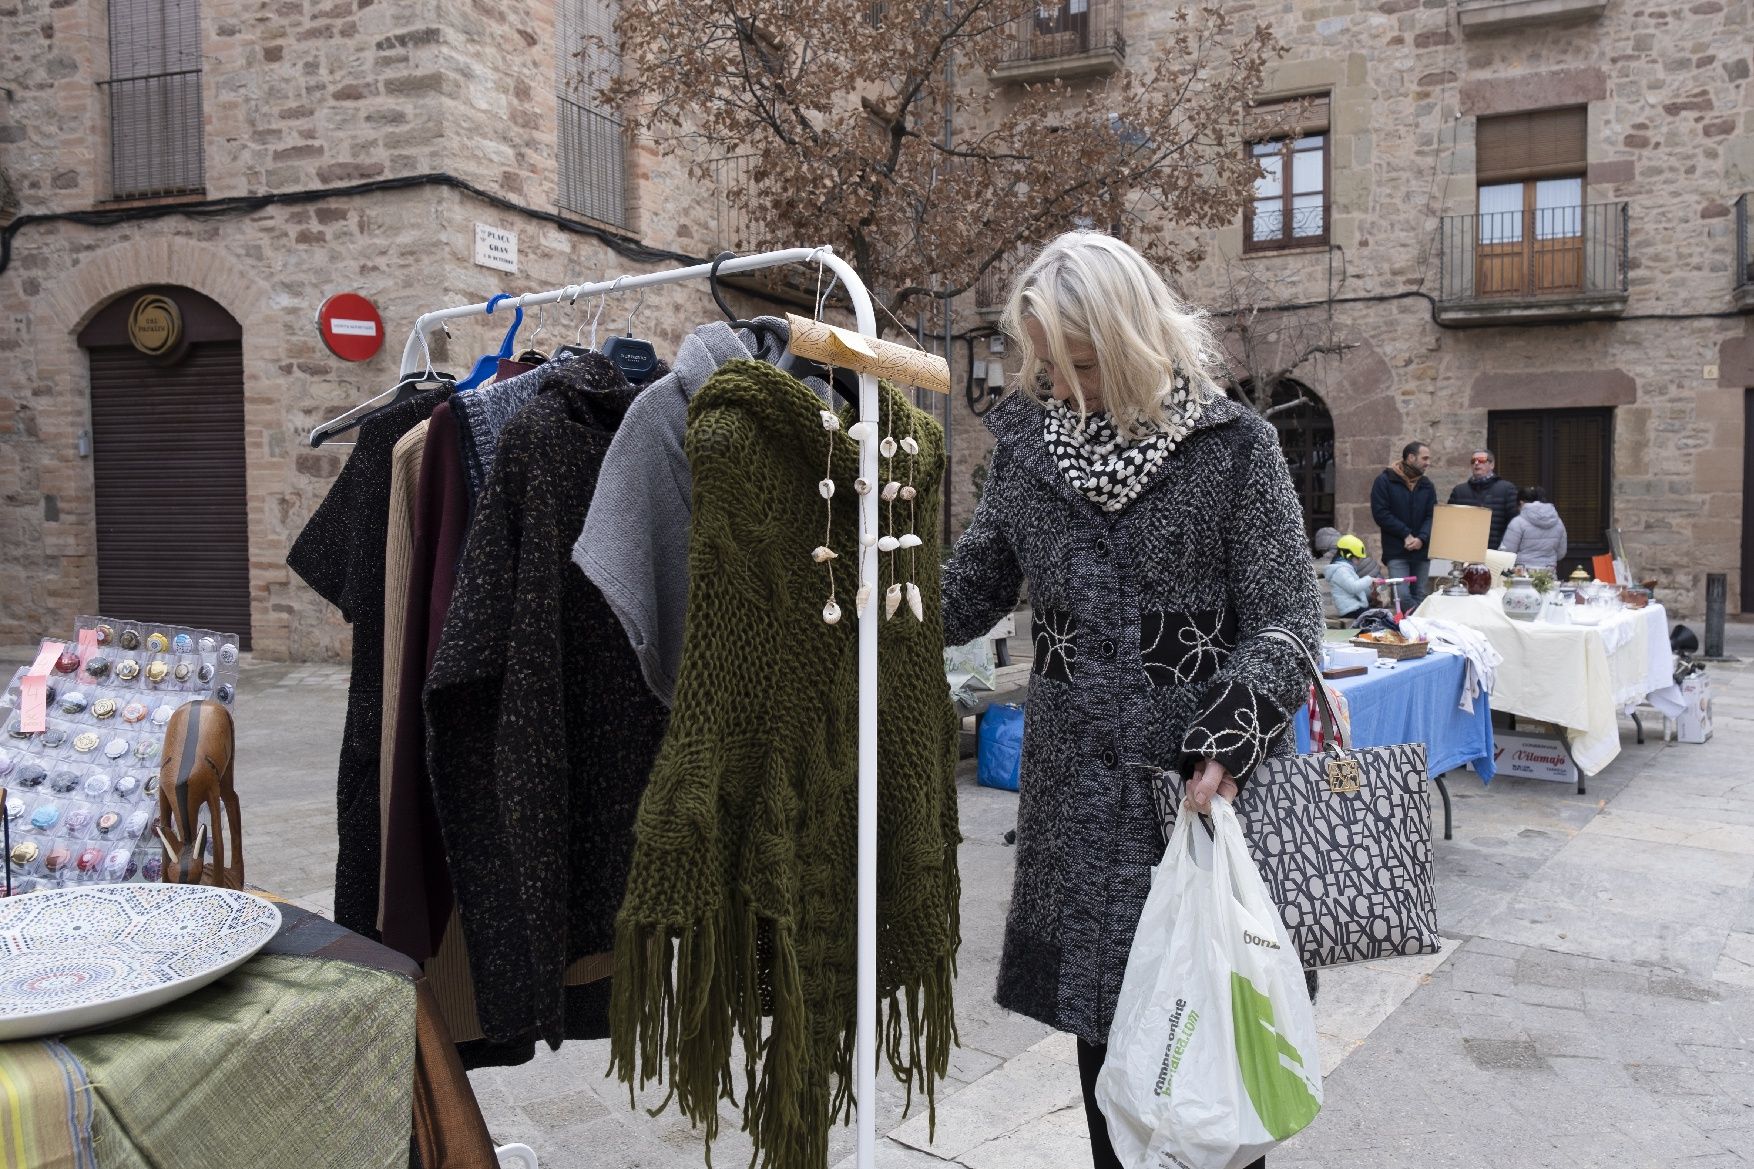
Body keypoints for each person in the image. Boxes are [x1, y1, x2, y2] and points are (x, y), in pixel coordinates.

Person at [939, 230, 1322, 1169]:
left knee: (1215, 1080)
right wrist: (868, 580)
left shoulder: (1237, 450)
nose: (1066, 387)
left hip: (1195, 801)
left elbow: (1287, 620)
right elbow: (973, 589)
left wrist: (1226, 734)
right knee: (1108, 1069)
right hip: (1077, 803)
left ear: (1132, 340)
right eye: (1048, 364)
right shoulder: (1031, 451)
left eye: (1081, 364)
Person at [1370, 440, 1436, 608]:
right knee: (1403, 597)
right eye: (1425, 458)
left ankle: (1417, 632)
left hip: (1421, 551)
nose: (1428, 463)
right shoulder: (1384, 481)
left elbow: (1432, 516)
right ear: (1411, 457)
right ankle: (1412, 628)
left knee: (1420, 595)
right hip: (1396, 551)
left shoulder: (1427, 485)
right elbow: (1381, 514)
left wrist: (1421, 538)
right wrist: (1405, 534)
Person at [1448, 448, 1519, 548]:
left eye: (1481, 460)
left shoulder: (1507, 489)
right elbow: (1449, 523)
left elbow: (1514, 523)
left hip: (1496, 552)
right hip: (1465, 551)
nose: (1476, 463)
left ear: (1492, 465)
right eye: (1473, 461)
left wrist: (1504, 547)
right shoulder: (1459, 491)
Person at [1500, 485, 1568, 569]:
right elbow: (1561, 553)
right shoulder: (1558, 522)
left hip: (1523, 575)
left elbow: (1506, 552)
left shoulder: (1518, 522)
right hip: (1548, 573)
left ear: (1521, 503)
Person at [1324, 534, 1374, 618]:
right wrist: (1369, 579)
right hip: (1351, 611)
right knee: (1383, 616)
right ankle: (1399, 624)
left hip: (1356, 609)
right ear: (1349, 556)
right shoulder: (1340, 570)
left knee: (1383, 614)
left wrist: (1371, 589)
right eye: (1358, 558)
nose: (1359, 561)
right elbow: (1353, 588)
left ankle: (1399, 623)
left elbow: (1359, 591)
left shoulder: (1347, 569)